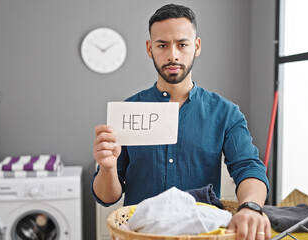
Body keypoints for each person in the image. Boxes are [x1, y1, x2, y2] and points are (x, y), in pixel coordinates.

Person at [92, 4, 271, 240]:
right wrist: (107, 167)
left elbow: (248, 167)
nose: (173, 55)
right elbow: (107, 197)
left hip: (202, 234)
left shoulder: (225, 113)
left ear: (196, 47)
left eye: (182, 44)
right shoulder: (128, 112)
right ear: (149, 48)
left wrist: (250, 207)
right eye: (162, 45)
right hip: (139, 235)